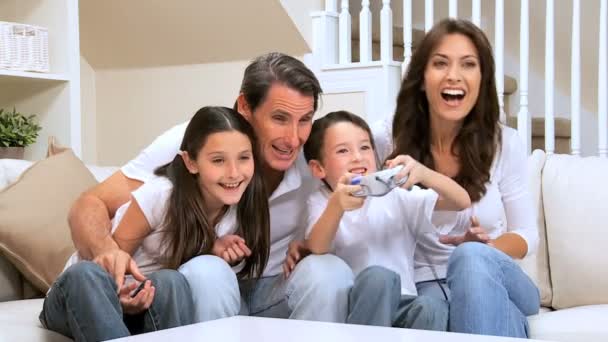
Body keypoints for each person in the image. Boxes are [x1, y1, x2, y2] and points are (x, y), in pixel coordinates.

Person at [67, 52, 354, 323]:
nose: (293, 139)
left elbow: (376, 148)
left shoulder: (315, 156)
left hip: (274, 288)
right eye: (279, 118)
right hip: (204, 286)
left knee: (330, 272)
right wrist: (108, 255)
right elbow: (90, 204)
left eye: (305, 120)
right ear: (244, 107)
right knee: (209, 271)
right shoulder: (195, 142)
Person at [372, 19, 540, 337]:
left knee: (470, 258)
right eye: (440, 63)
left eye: (468, 64)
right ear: (422, 77)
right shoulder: (387, 136)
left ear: (482, 78)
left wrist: (487, 249)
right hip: (426, 284)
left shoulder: (504, 143)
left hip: (498, 274)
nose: (453, 75)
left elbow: (527, 235)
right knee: (443, 309)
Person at [41, 106, 270, 340]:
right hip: (85, 293)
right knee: (85, 274)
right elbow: (112, 264)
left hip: (142, 301)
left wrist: (210, 248)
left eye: (243, 158)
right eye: (218, 160)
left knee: (172, 282)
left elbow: (177, 255)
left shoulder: (239, 203)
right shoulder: (161, 195)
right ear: (190, 162)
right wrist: (122, 297)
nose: (234, 172)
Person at [289, 110, 469, 330]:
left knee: (433, 306)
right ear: (318, 169)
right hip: (357, 306)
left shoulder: (396, 196)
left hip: (403, 303)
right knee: (379, 277)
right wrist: (336, 206)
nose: (357, 156)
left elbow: (461, 201)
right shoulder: (322, 201)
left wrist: (424, 174)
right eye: (343, 150)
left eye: (365, 147)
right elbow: (317, 246)